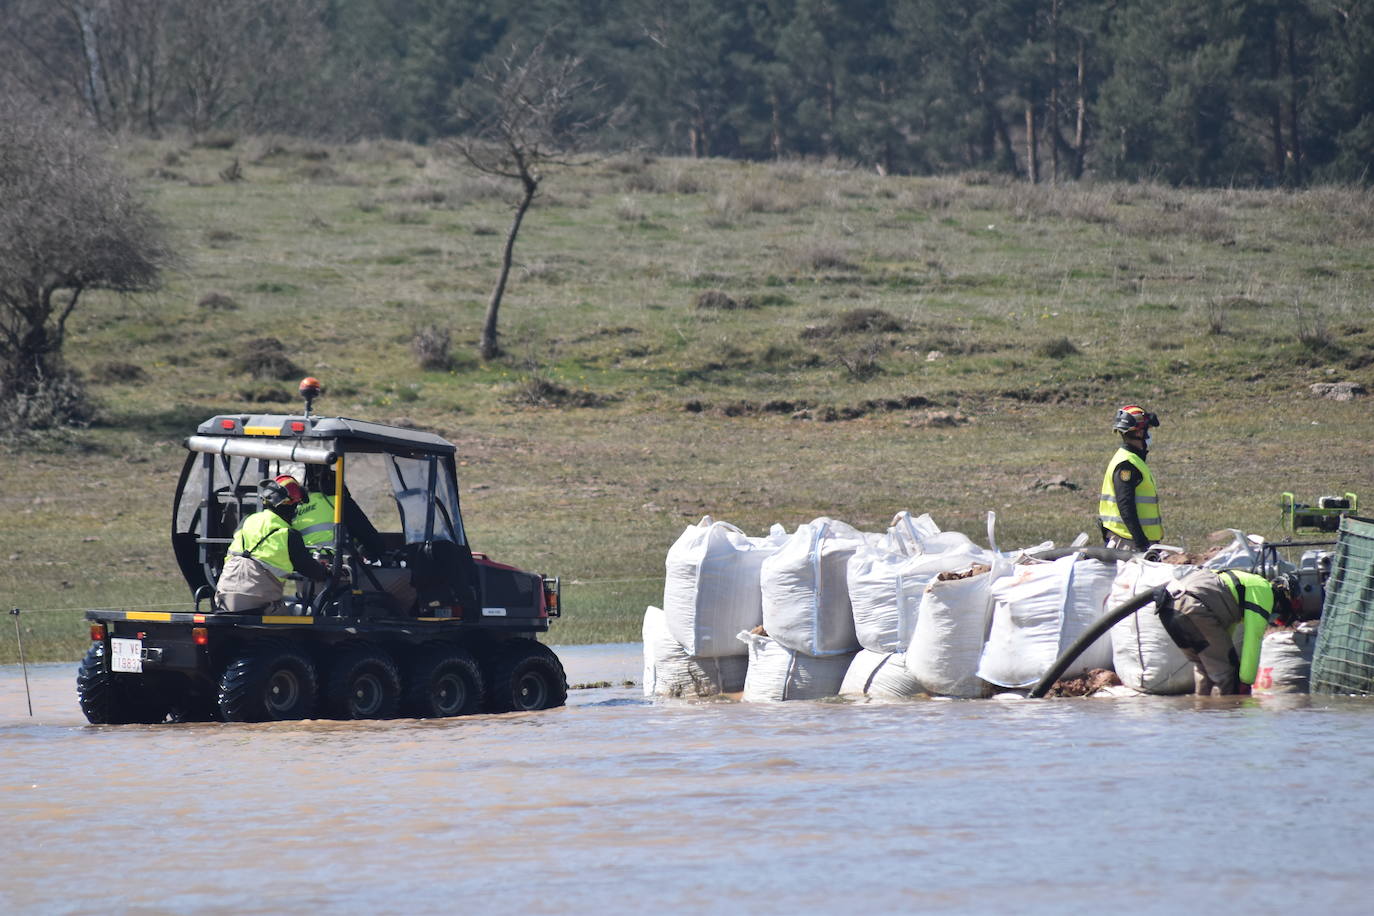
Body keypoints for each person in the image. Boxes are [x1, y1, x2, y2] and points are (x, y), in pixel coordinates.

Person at [1156, 568, 1294, 696]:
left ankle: (1201, 714)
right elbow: (1253, 639)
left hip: (1168, 611)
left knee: (1204, 666)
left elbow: (1224, 635)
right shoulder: (1264, 591)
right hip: (1192, 607)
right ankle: (1229, 718)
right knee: (1228, 673)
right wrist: (1246, 682)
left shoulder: (1241, 583)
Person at [214, 475, 331, 614]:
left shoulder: (247, 521)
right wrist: (328, 571)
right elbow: (311, 570)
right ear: (291, 506)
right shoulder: (287, 534)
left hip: (223, 597)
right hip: (259, 605)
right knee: (300, 620)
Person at [1098, 404, 1162, 551]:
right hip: (1129, 542)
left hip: (1136, 540)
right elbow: (1125, 506)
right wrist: (1141, 543)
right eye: (1147, 430)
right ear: (1139, 433)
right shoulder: (1127, 464)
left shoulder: (1133, 460)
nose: (1149, 435)